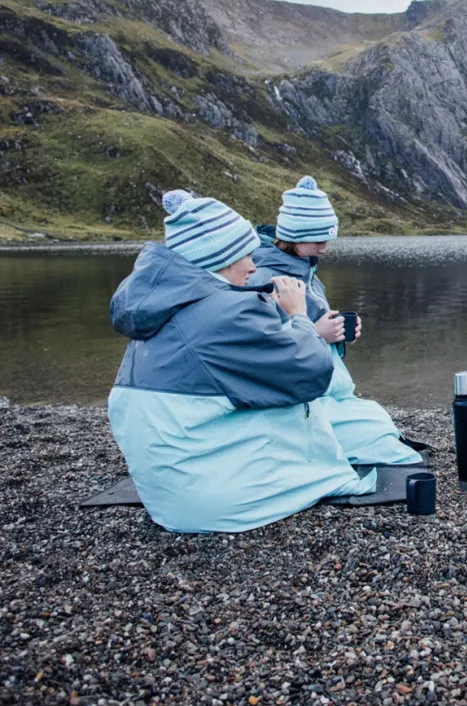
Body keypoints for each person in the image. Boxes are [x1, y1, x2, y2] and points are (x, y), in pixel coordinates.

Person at [107, 190, 376, 534]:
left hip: (165, 496)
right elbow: (310, 373)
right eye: (244, 255)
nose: (253, 266)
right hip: (209, 504)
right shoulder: (228, 309)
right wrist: (298, 317)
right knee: (301, 409)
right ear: (218, 257)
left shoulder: (161, 305)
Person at [248, 176, 422, 465]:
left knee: (379, 421)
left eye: (326, 239)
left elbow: (307, 324)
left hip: (323, 390)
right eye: (318, 240)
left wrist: (337, 334)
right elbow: (258, 347)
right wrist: (316, 333)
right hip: (296, 400)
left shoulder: (306, 272)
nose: (325, 248)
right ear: (294, 236)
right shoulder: (264, 278)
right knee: (387, 447)